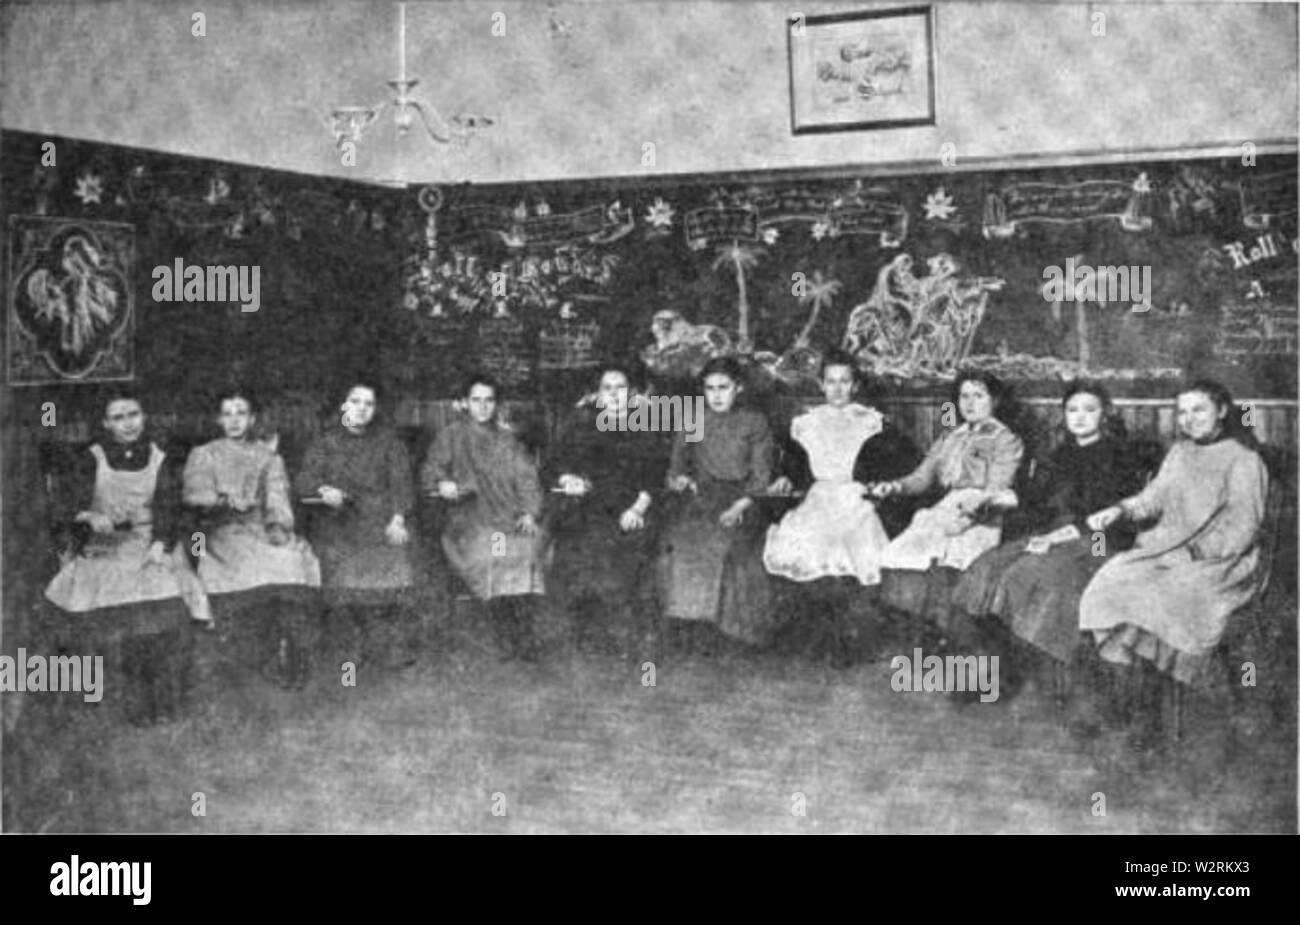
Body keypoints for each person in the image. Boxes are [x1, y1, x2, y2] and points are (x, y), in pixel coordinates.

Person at [949, 382, 1145, 708]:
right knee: (985, 568)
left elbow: (1104, 517)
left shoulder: (1118, 455)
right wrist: (991, 499)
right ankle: (991, 674)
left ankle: (1048, 682)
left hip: (1096, 540)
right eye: (1072, 410)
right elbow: (1032, 499)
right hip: (1052, 532)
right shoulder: (1059, 454)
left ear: (1105, 414)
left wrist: (1054, 539)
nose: (1080, 417)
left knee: (1028, 575)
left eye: (1089, 410)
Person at [1079, 380, 1268, 705]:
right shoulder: (1180, 453)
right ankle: (1135, 692)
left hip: (1225, 563)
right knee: (1112, 580)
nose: (1189, 419)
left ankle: (1157, 692)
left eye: (1199, 410)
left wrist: (1192, 553)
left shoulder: (1244, 460)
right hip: (1167, 549)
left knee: (1164, 595)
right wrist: (1119, 510)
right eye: (1182, 412)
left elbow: (1242, 529)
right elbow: (1153, 497)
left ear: (1221, 410)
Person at [43, 391, 210, 724]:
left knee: (161, 602)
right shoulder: (90, 458)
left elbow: (169, 508)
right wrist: (88, 517)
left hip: (148, 544)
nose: (127, 423)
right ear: (106, 424)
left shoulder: (161, 458)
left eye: (133, 414)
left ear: (144, 417)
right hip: (101, 549)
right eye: (118, 418)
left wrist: (161, 543)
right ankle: (94, 689)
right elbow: (61, 508)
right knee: (95, 603)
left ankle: (156, 695)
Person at [763, 351, 919, 666]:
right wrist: (783, 478)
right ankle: (819, 637)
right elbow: (794, 467)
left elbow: (902, 460)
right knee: (809, 544)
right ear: (821, 384)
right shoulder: (806, 422)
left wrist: (878, 483)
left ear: (855, 384)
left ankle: (850, 640)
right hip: (819, 497)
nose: (837, 389)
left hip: (855, 498)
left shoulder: (870, 421)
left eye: (844, 381)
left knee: (848, 546)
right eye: (831, 382)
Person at [183, 388, 321, 689]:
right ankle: (254, 649)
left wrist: (278, 527)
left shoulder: (267, 455)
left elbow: (277, 497)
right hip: (221, 531)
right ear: (219, 419)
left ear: (252, 418)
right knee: (248, 564)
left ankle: (288, 647)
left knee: (290, 556)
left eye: (241, 414)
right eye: (228, 414)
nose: (234, 421)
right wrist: (223, 502)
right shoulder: (204, 454)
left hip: (259, 527)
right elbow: (195, 496)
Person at [870, 371, 1025, 638]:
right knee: (902, 554)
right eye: (964, 396)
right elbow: (921, 477)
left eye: (979, 395)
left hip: (983, 512)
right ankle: (920, 630)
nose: (970, 403)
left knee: (949, 563)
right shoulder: (950, 437)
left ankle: (950, 636)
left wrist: (968, 517)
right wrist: (894, 486)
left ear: (995, 401)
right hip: (945, 507)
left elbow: (996, 488)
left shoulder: (1005, 440)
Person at [543, 364, 670, 659]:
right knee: (574, 547)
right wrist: (567, 479)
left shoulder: (647, 426)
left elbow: (656, 477)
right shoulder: (582, 426)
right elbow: (552, 465)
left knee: (623, 551)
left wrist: (638, 509)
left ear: (633, 393)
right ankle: (585, 633)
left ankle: (626, 637)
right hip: (589, 507)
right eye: (607, 388)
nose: (614, 395)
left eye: (621, 388)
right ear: (597, 395)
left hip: (632, 508)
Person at [421, 373, 549, 661]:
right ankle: (505, 635)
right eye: (476, 400)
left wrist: (530, 512)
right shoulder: (451, 436)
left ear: (497, 405)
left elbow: (527, 479)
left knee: (528, 550)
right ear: (465, 403)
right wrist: (442, 483)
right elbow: (431, 471)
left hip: (510, 518)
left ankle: (523, 634)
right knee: (496, 553)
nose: (482, 407)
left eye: (489, 400)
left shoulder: (509, 441)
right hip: (470, 522)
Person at [297, 381, 419, 670]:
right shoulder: (325, 442)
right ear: (343, 405)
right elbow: (303, 481)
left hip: (380, 522)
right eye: (355, 402)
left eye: (369, 404)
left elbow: (402, 484)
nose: (361, 409)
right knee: (343, 570)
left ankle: (384, 643)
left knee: (397, 562)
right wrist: (324, 489)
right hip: (338, 524)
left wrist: (398, 518)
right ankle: (351, 644)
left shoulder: (390, 443)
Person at [657, 356, 776, 650]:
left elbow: (762, 478)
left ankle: (723, 632)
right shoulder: (694, 419)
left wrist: (739, 507)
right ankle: (687, 626)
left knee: (726, 546)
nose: (717, 395)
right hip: (702, 498)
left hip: (744, 500)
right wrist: (681, 481)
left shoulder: (754, 422)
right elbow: (674, 470)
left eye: (724, 387)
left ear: (739, 388)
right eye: (710, 389)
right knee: (681, 541)